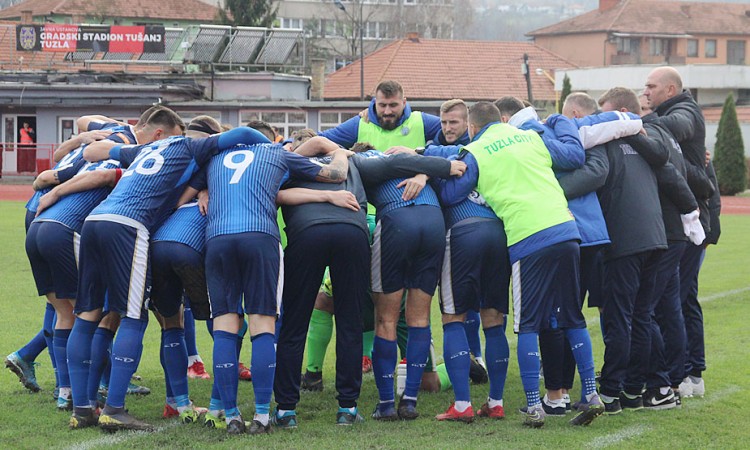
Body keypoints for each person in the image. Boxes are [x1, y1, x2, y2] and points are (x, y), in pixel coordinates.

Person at [440, 102, 603, 428]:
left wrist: (442, 169)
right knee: (572, 316)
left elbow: (452, 194)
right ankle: (590, 394)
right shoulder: (529, 136)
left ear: (472, 127)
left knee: (528, 322)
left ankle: (533, 406)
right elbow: (570, 157)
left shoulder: (475, 150)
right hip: (568, 229)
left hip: (528, 237)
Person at [204, 131, 351, 435]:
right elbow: (335, 175)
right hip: (260, 236)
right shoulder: (276, 154)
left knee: (225, 327)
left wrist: (201, 192)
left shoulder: (213, 157)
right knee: (262, 326)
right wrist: (341, 154)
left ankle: (231, 415)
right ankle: (260, 416)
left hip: (217, 238)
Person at [599, 87, 699, 409]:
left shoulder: (634, 136)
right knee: (647, 314)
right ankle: (649, 386)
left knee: (636, 314)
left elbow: (669, 172)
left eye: (607, 114)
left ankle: (639, 387)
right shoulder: (652, 136)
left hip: (646, 238)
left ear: (622, 114)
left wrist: (692, 213)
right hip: (662, 236)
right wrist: (692, 211)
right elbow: (675, 174)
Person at [644, 66, 714, 397]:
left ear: (670, 90)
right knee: (681, 297)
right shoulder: (672, 110)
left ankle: (685, 374)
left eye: (651, 86)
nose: (645, 92)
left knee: (675, 298)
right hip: (689, 218)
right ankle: (690, 373)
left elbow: (679, 127)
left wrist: (637, 124)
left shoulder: (684, 111)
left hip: (690, 220)